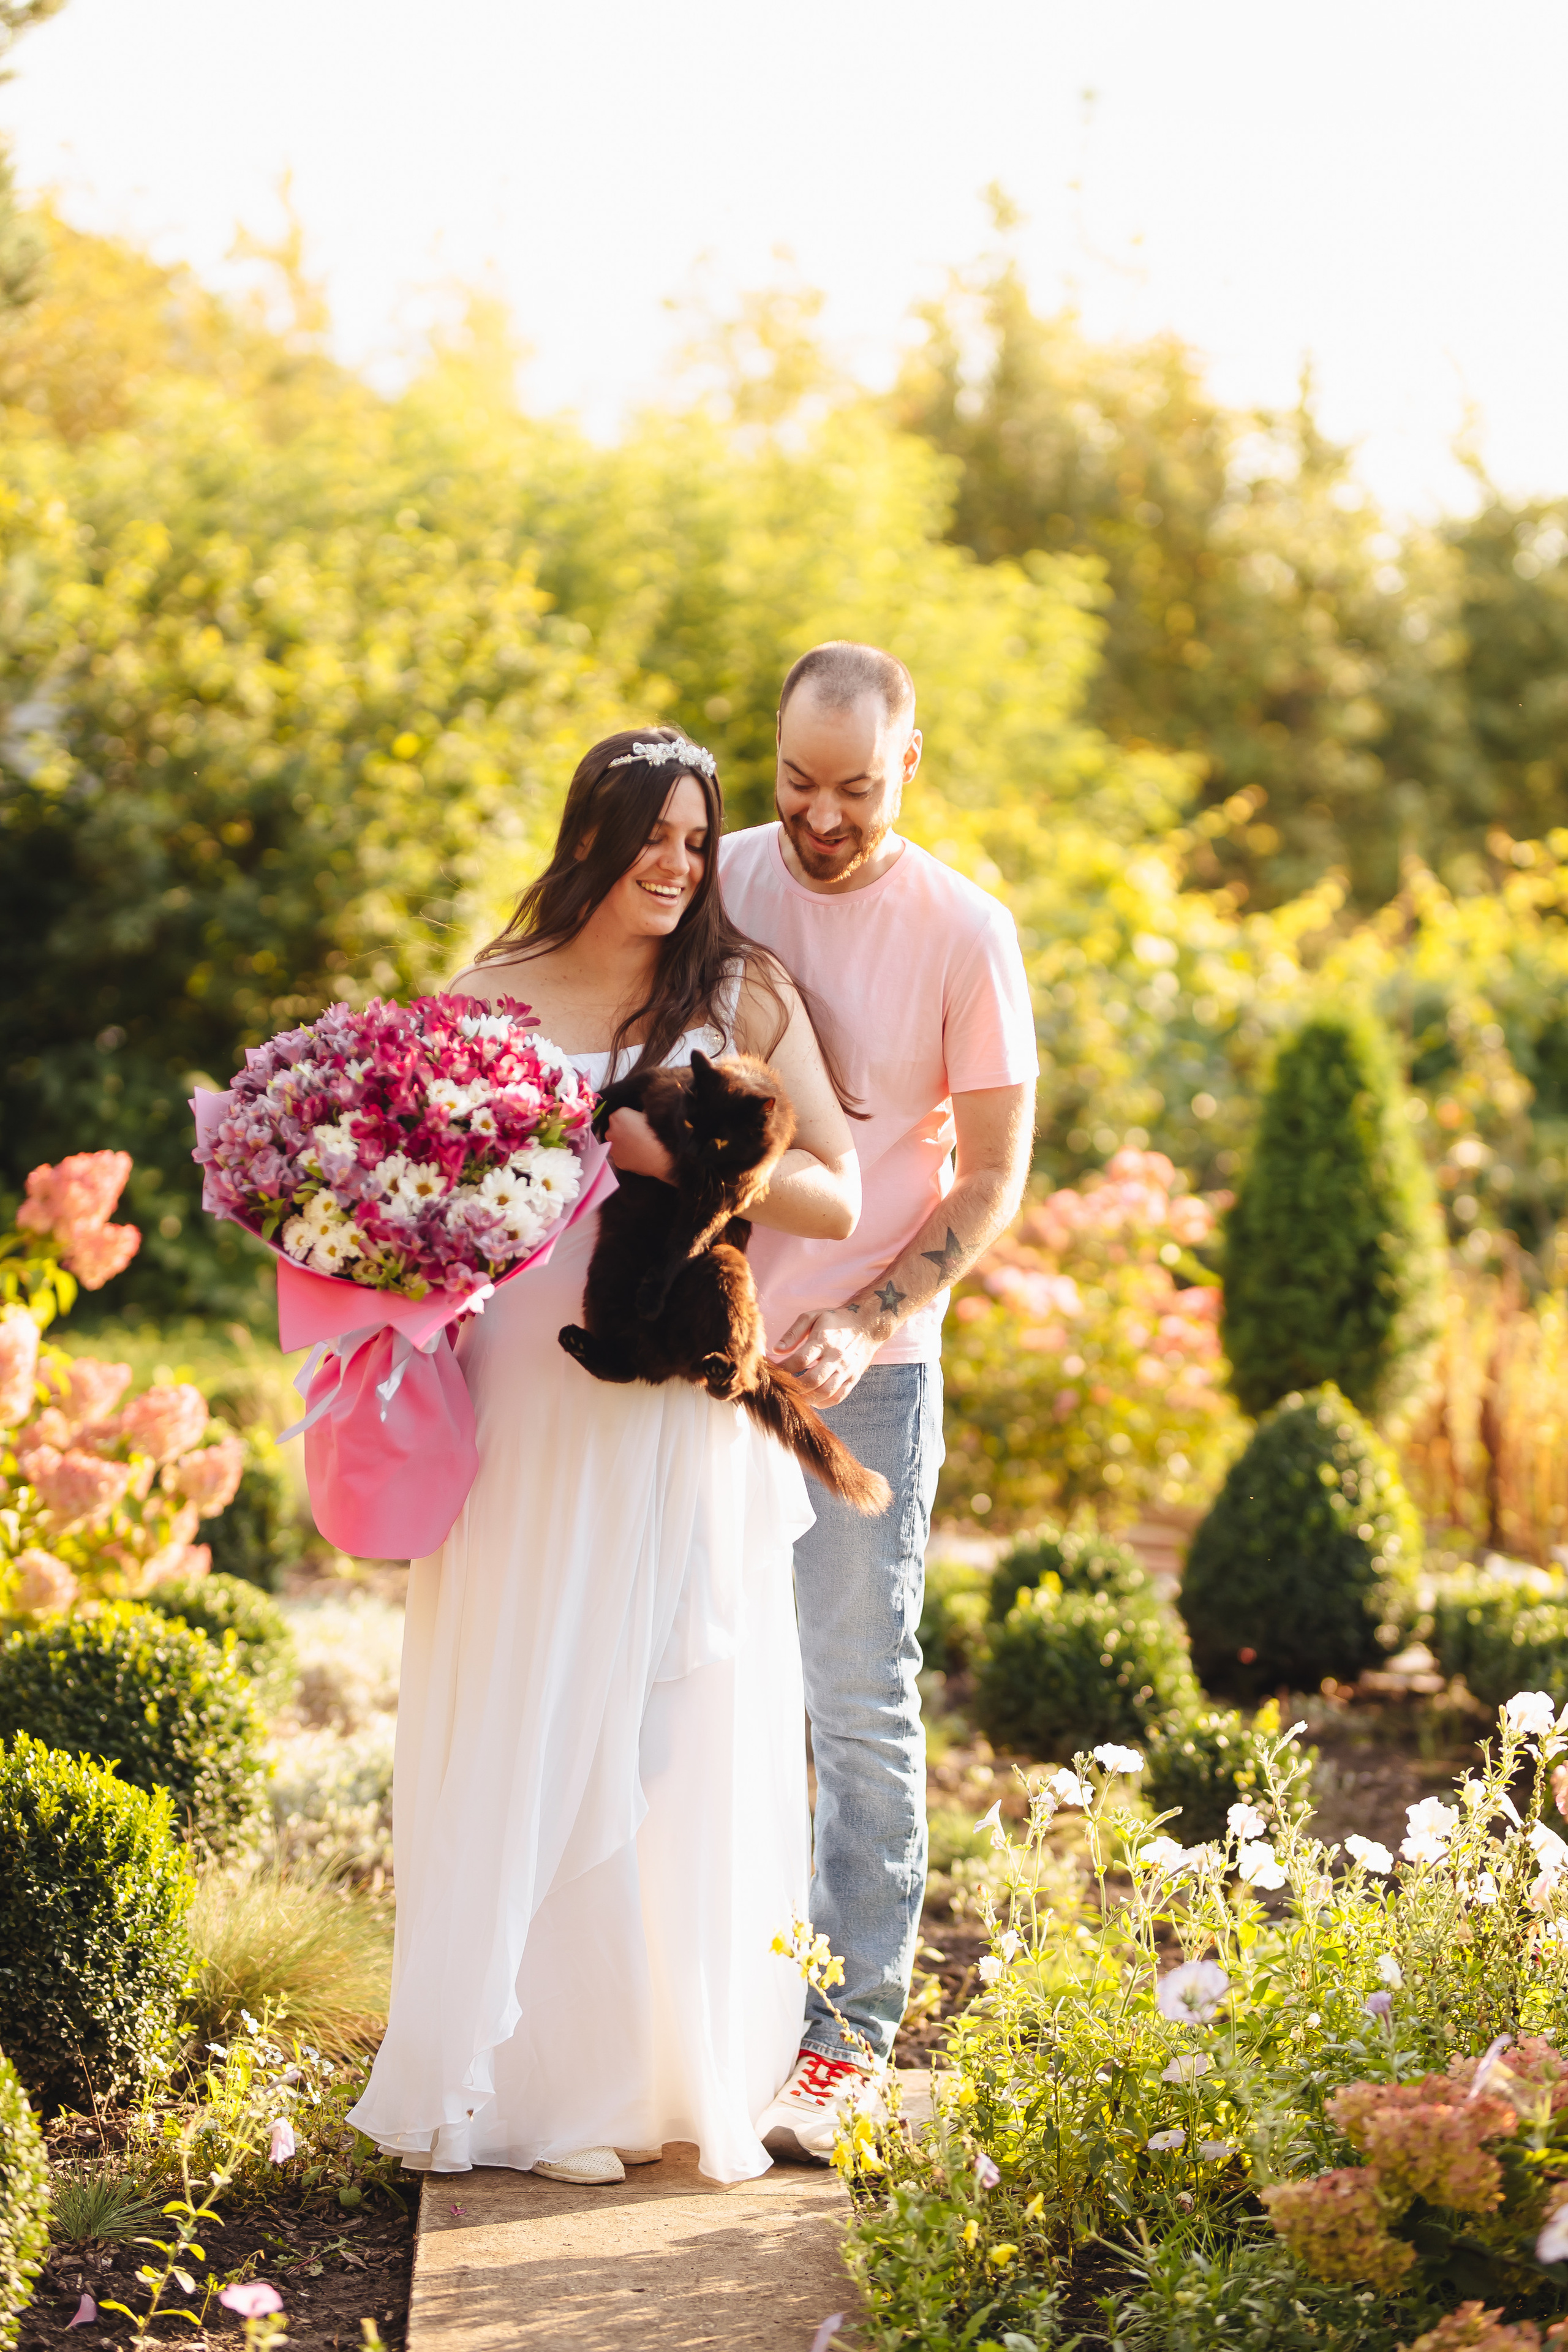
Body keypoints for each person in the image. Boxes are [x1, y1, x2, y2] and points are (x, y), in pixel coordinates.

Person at [348, 726, 863, 2187]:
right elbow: (410, 1192)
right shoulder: (487, 991)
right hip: (523, 1389)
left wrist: (700, 1168)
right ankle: (529, 2087)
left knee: (669, 1719)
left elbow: (837, 1184)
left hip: (679, 1402)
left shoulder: (740, 986)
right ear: (590, 836)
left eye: (695, 843)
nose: (675, 865)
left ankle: (662, 2074)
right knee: (531, 1692)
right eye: (649, 836)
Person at [721, 643, 1038, 2160]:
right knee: (684, 1692)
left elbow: (988, 1181)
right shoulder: (709, 879)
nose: (820, 816)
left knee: (853, 1706)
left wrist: (868, 1312)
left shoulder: (965, 931)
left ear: (909, 762)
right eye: (795, 780)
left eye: (853, 787)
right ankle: (703, 2015)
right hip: (693, 1357)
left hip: (863, 1377)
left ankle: (842, 2042)